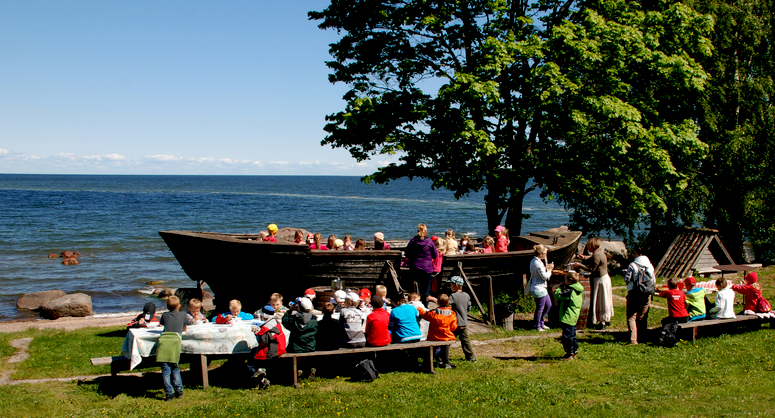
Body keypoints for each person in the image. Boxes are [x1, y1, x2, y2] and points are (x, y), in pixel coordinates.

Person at [573, 238, 613, 329]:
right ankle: (606, 319)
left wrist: (579, 265)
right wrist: (583, 257)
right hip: (604, 278)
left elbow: (591, 269)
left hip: (600, 280)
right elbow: (592, 258)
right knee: (605, 300)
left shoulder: (597, 255)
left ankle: (602, 322)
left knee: (601, 300)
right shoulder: (599, 252)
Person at [622, 246, 656, 344]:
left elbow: (627, 279)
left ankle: (633, 339)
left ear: (637, 253)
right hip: (646, 293)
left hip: (634, 292)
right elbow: (653, 280)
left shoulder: (633, 265)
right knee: (642, 316)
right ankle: (642, 336)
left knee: (631, 316)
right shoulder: (649, 265)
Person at [247, 305, 285, 389]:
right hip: (278, 348)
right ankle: (261, 373)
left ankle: (261, 376)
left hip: (270, 350)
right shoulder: (275, 322)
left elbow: (263, 341)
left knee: (250, 359)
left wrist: (256, 332)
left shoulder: (267, 327)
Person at [158, 296, 187, 401]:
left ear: (167, 306)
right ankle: (179, 389)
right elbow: (189, 323)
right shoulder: (183, 315)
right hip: (175, 342)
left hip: (164, 341)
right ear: (179, 306)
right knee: (175, 366)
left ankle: (169, 393)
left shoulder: (165, 315)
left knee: (165, 369)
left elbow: (162, 324)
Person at [418, 293, 457, 368]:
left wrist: (419, 308)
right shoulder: (452, 314)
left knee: (432, 347)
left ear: (438, 302)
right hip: (446, 337)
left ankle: (428, 361)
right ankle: (446, 361)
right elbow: (453, 328)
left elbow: (424, 315)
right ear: (448, 303)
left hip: (434, 337)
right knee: (446, 345)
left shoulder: (433, 313)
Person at [405, 223, 437, 307]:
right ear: (425, 232)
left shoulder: (413, 241)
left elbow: (407, 253)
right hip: (427, 268)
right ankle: (425, 305)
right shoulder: (429, 242)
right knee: (426, 289)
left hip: (415, 267)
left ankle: (416, 305)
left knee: (416, 288)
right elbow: (435, 255)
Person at [554, 272, 583, 360]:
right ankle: (574, 351)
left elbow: (558, 296)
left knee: (567, 337)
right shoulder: (578, 288)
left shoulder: (569, 291)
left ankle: (569, 353)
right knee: (572, 335)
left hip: (568, 316)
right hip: (574, 316)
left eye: (565, 279)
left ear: (569, 281)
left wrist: (558, 288)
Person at [448, 276, 476, 362]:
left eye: (451, 285)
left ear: (456, 285)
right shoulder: (467, 295)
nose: (450, 287)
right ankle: (471, 357)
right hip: (463, 322)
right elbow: (469, 307)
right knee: (465, 341)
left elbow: (447, 306)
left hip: (454, 322)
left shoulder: (453, 296)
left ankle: (442, 357)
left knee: (447, 340)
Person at [529, 244, 554, 332]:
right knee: (540, 308)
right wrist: (550, 271)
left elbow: (539, 271)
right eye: (545, 253)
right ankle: (537, 325)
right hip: (539, 288)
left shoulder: (534, 261)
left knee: (548, 305)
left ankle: (541, 322)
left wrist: (546, 268)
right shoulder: (538, 263)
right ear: (541, 254)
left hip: (539, 287)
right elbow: (544, 277)